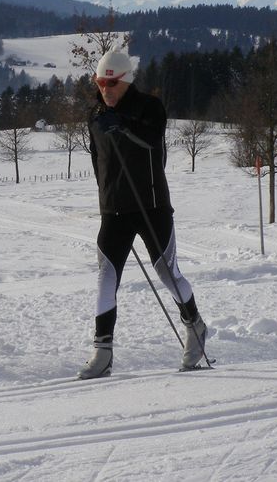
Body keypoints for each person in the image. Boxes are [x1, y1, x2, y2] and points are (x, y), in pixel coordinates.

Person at [78, 48, 209, 379]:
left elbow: (152, 142)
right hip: (114, 210)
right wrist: (105, 195)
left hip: (151, 206)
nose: (105, 90)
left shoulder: (150, 108)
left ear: (125, 81)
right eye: (100, 83)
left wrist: (120, 125)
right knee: (106, 276)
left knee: (167, 273)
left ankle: (195, 327)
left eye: (111, 83)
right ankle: (102, 351)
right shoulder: (94, 115)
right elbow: (98, 160)